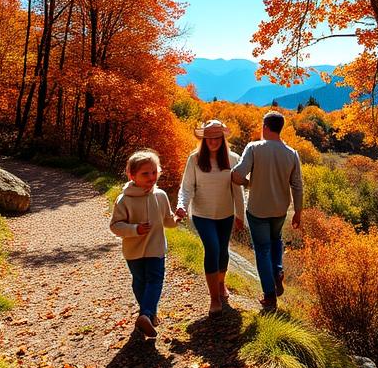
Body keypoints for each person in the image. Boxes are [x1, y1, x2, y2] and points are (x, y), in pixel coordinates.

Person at [231, 110, 303, 311]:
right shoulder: (292, 153)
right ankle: (278, 270)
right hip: (280, 209)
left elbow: (238, 174)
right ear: (280, 128)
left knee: (262, 250)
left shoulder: (254, 148)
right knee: (276, 239)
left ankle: (270, 296)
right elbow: (297, 185)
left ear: (264, 127)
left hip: (257, 209)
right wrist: (298, 211)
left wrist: (247, 183)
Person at [175, 120, 246, 316]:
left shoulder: (233, 159)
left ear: (222, 139)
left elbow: (238, 192)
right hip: (202, 215)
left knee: (223, 251)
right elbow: (187, 187)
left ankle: (221, 284)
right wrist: (181, 205)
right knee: (212, 248)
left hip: (226, 214)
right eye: (209, 138)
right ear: (204, 140)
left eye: (217, 137)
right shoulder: (195, 159)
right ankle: (214, 297)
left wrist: (240, 216)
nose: (213, 142)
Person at [109, 150, 178, 338]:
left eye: (154, 172)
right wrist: (135, 229)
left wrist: (177, 218)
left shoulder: (161, 195)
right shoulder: (124, 199)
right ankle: (147, 314)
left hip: (156, 249)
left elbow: (167, 221)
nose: (151, 177)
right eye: (145, 174)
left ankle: (146, 314)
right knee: (139, 281)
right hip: (134, 251)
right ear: (132, 175)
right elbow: (115, 226)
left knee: (155, 280)